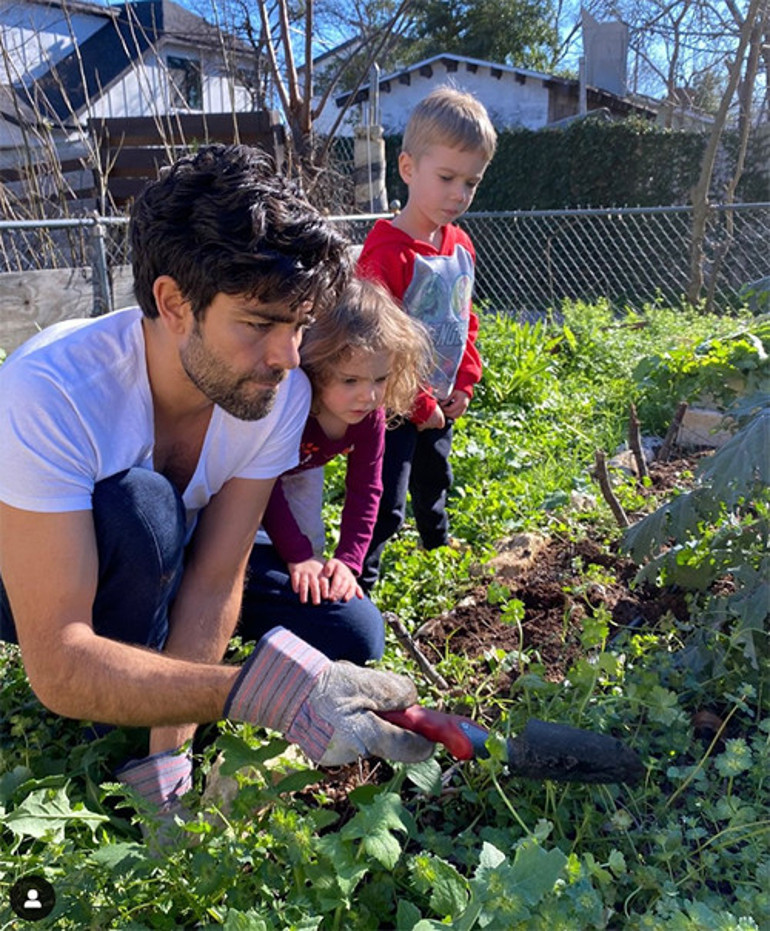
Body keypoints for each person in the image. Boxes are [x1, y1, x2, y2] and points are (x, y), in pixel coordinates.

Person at [0, 144, 433, 824]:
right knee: (143, 509)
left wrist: (171, 752)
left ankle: (151, 735)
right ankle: (110, 729)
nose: (288, 357)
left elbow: (214, 579)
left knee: (348, 629)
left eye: (297, 326)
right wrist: (262, 694)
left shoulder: (274, 387)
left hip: (173, 560)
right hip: (45, 565)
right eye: (260, 323)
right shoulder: (51, 389)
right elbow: (57, 661)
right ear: (173, 303)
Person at [357, 86, 497, 591]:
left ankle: (436, 540)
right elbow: (375, 343)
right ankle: (360, 579)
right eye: (447, 178)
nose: (459, 194)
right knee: (384, 497)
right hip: (393, 404)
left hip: (440, 397)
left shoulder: (460, 244)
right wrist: (415, 401)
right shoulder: (385, 252)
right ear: (408, 168)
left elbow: (464, 316)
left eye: (471, 183)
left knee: (435, 476)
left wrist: (464, 378)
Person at [250, 276, 431, 636]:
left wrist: (348, 560)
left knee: (309, 550)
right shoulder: (291, 404)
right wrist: (296, 553)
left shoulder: (369, 418)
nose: (369, 396)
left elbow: (366, 489)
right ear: (316, 368)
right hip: (250, 473)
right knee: (290, 547)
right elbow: (261, 483)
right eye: (350, 381)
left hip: (300, 470)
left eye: (379, 379)